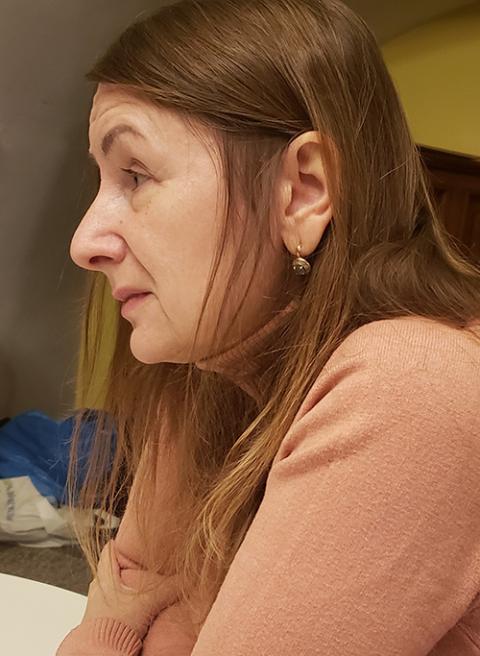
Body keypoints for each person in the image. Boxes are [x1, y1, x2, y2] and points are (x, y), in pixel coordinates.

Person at [56, 0, 480, 654]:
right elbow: (122, 597)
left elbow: (128, 609)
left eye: (135, 174)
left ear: (303, 192)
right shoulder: (211, 364)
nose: (85, 241)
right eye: (101, 179)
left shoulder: (413, 389)